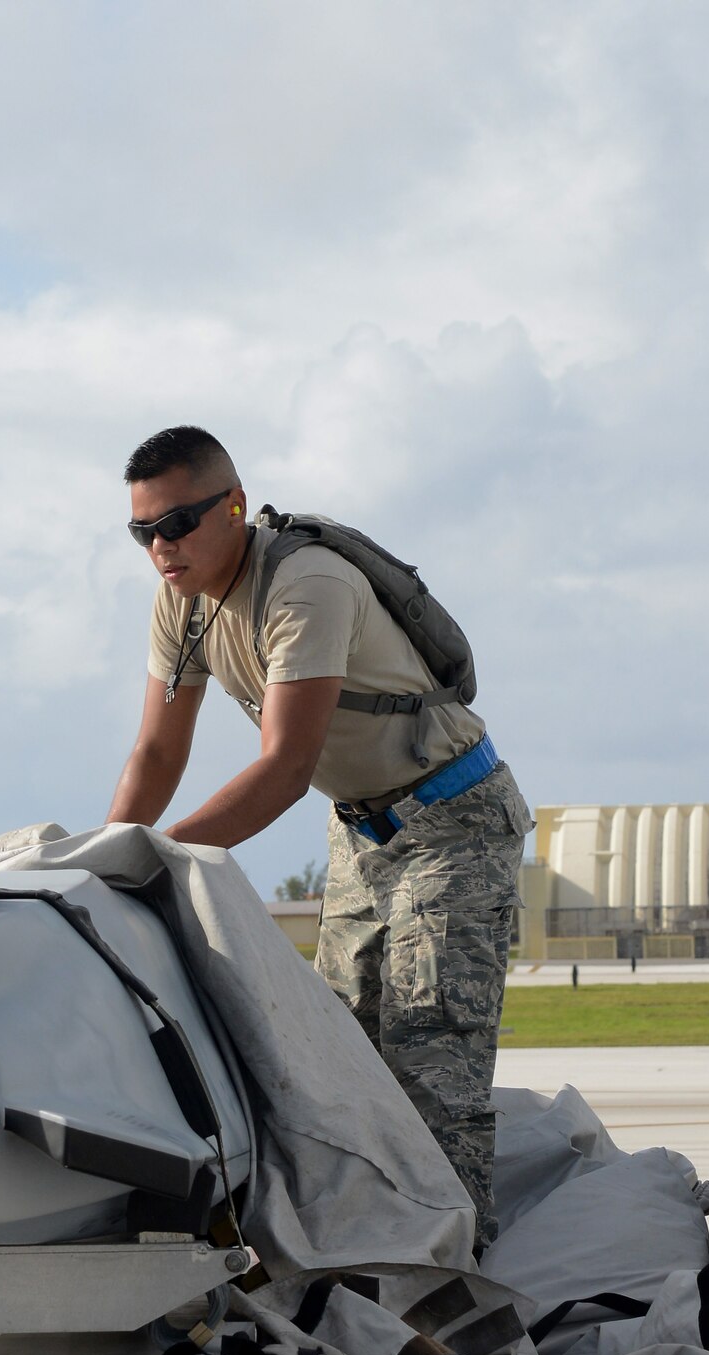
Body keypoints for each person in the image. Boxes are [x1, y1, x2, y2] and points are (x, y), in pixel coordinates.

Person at [106, 424, 531, 1249]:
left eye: (179, 522)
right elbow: (157, 751)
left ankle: (455, 1279)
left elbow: (284, 766)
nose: (161, 546)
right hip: (361, 833)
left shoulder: (306, 585)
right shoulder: (181, 601)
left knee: (430, 1065)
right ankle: (372, 1255)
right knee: (342, 1064)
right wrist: (100, 858)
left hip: (452, 823)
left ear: (233, 505)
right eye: (142, 531)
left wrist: (146, 861)